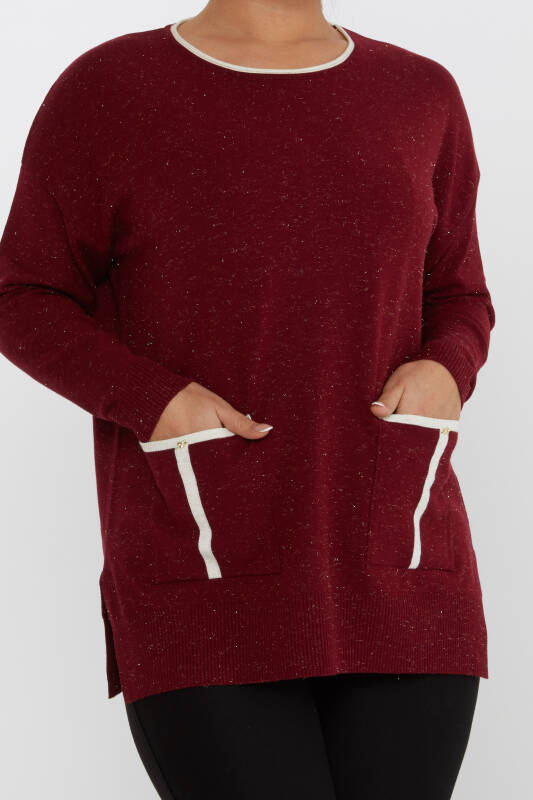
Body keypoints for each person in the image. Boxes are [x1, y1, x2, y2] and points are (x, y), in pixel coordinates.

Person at [0, 1, 495, 798]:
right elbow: (23, 295)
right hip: (204, 563)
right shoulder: (111, 89)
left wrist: (447, 365)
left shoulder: (420, 92)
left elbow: (458, 292)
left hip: (400, 569)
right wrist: (157, 399)